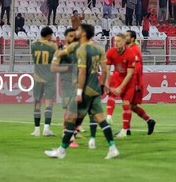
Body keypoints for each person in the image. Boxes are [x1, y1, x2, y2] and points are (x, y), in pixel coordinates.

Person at [45, 24, 120, 160]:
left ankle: (61, 150)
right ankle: (112, 147)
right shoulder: (99, 48)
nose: (76, 32)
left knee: (70, 118)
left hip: (85, 89)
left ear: (84, 33)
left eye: (79, 30)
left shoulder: (82, 49)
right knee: (100, 119)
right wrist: (104, 85)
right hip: (96, 88)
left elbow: (82, 72)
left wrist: (79, 92)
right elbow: (104, 70)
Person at [51, 28, 82, 149]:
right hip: (67, 83)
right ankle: (68, 135)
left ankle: (71, 131)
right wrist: (69, 69)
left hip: (79, 83)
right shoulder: (60, 52)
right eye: (70, 36)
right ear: (65, 37)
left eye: (74, 36)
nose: (72, 38)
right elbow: (53, 68)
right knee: (71, 109)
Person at [105, 35, 137, 138]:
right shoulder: (110, 52)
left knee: (126, 103)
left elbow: (130, 73)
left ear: (124, 42)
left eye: (118, 41)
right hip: (117, 76)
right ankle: (109, 117)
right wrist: (106, 83)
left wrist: (120, 87)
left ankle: (124, 130)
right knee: (111, 94)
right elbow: (107, 69)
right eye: (115, 41)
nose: (116, 43)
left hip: (128, 80)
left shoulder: (130, 54)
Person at [125, 30, 156, 134]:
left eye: (127, 36)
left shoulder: (134, 50)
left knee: (127, 104)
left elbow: (137, 68)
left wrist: (137, 84)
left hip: (134, 82)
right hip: (132, 82)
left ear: (132, 38)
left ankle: (126, 130)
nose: (125, 38)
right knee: (132, 106)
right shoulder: (130, 49)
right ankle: (149, 120)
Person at [31, 27, 58, 138]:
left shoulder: (33, 45)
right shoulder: (53, 46)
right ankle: (46, 129)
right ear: (48, 36)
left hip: (37, 77)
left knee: (37, 102)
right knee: (49, 102)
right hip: (49, 77)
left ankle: (36, 130)